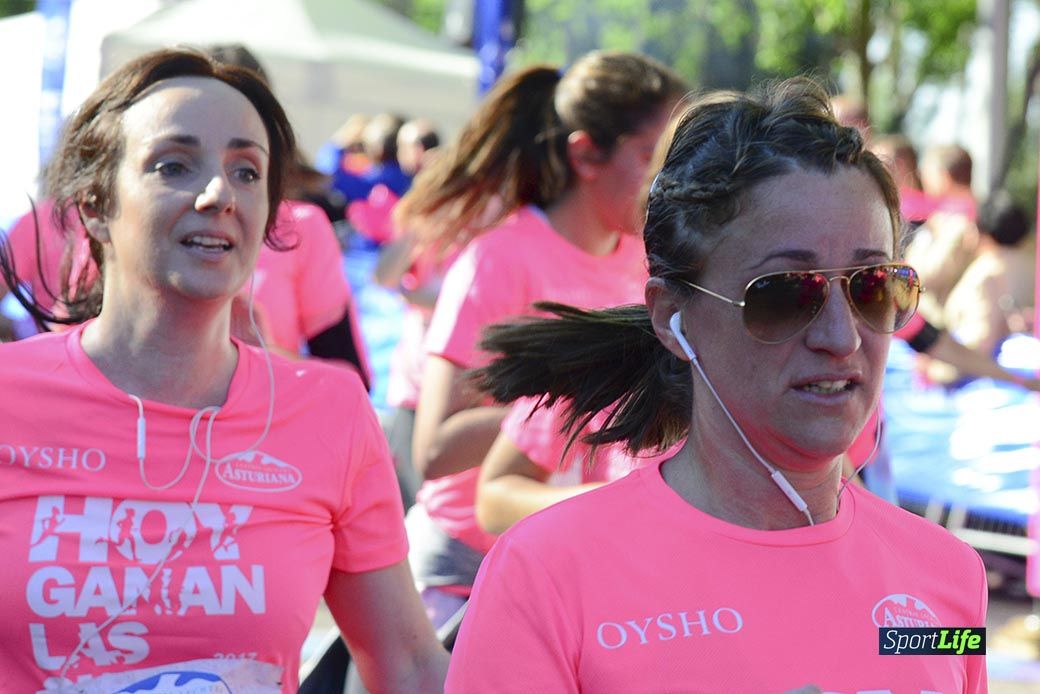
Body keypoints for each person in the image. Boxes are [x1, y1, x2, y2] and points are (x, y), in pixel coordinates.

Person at [448, 78, 987, 692]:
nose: (841, 336)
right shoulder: (544, 573)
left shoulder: (949, 578)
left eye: (873, 285)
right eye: (786, 292)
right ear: (671, 318)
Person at [0, 48, 446, 692]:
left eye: (246, 171)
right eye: (173, 165)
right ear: (95, 204)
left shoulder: (328, 411)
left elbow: (408, 664)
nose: (218, 195)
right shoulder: (10, 394)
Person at [393, 50, 688, 626]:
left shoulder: (647, 261)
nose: (667, 182)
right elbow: (432, 451)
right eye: (650, 157)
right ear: (585, 154)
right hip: (465, 567)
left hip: (571, 558)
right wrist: (575, 392)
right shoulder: (499, 261)